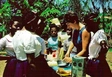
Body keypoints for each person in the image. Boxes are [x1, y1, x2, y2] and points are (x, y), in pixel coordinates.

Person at [12, 11, 60, 77]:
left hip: (19, 66)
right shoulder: (29, 36)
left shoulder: (16, 34)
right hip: (29, 68)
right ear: (31, 23)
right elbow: (30, 60)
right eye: (36, 23)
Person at [84, 13, 112, 77]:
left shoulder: (99, 33)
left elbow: (104, 47)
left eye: (87, 24)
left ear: (92, 23)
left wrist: (98, 59)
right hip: (94, 63)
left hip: (97, 65)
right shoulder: (94, 34)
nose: (86, 26)